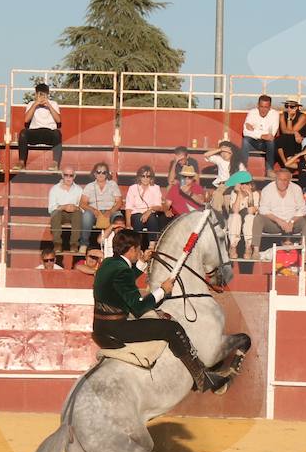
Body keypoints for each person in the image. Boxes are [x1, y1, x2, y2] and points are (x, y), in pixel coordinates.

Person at [90, 228, 227, 393]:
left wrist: (141, 263)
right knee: (172, 329)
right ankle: (201, 377)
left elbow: (121, 282)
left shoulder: (109, 263)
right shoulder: (122, 270)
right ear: (132, 249)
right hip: (117, 329)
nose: (140, 251)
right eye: (139, 249)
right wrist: (162, 290)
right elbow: (139, 307)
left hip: (100, 327)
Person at [253, 167, 306, 252]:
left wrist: (292, 221)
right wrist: (279, 221)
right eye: (280, 180)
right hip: (275, 224)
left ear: (290, 180)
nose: (282, 183)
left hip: (292, 224)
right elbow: (263, 209)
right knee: (258, 219)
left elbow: (303, 208)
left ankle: (305, 251)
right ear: (276, 179)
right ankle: (255, 250)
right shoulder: (268, 189)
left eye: (285, 180)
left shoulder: (296, 189)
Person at [17, 82, 63, 170]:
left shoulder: (53, 104)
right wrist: (35, 104)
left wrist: (48, 106)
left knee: (57, 133)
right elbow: (26, 120)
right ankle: (21, 162)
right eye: (39, 95)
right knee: (23, 132)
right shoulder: (31, 104)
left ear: (47, 95)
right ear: (36, 95)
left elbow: (58, 120)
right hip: (35, 132)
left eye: (44, 95)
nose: (41, 97)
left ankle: (55, 163)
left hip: (49, 132)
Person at [81, 163, 122, 251]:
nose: (101, 174)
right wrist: (93, 210)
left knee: (119, 220)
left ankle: (119, 246)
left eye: (104, 172)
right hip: (95, 212)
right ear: (95, 174)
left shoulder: (112, 184)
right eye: (98, 172)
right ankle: (84, 244)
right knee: (87, 216)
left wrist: (110, 211)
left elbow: (119, 202)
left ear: (107, 174)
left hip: (111, 210)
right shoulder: (89, 186)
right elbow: (82, 203)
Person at [124, 165, 167, 246]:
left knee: (152, 218)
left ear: (151, 178)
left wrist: (149, 211)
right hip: (136, 213)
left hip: (151, 212)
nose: (145, 178)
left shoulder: (155, 188)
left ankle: (152, 244)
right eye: (143, 176)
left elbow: (159, 206)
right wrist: (128, 224)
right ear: (139, 177)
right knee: (138, 219)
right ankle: (137, 245)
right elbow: (129, 208)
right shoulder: (133, 188)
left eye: (148, 176)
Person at [237, 94, 279, 171]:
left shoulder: (275, 114)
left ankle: (269, 170)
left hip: (266, 144)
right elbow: (245, 132)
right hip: (253, 143)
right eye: (261, 106)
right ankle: (242, 169)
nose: (263, 110)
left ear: (270, 107)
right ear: (258, 106)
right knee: (245, 140)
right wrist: (262, 135)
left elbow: (271, 135)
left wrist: (254, 131)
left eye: (266, 107)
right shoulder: (252, 113)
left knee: (271, 142)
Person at [48, 168, 84, 253]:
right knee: (55, 213)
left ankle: (74, 244)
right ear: (62, 176)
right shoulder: (55, 189)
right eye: (66, 175)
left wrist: (76, 208)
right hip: (60, 213)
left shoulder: (79, 189)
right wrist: (63, 207)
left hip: (74, 214)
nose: (68, 178)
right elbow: (51, 208)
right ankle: (57, 244)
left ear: (74, 176)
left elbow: (83, 207)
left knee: (78, 213)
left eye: (71, 175)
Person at [274, 98, 306, 170]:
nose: (289, 109)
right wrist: (295, 132)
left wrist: (289, 118)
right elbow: (284, 131)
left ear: (296, 107)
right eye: (287, 106)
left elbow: (290, 131)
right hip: (285, 141)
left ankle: (287, 163)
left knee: (284, 138)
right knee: (278, 140)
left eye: (292, 107)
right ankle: (286, 163)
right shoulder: (282, 116)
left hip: (299, 142)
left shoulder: (302, 117)